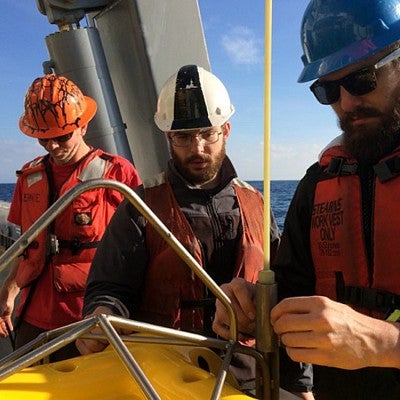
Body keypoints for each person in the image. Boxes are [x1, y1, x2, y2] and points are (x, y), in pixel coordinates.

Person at [213, 1, 400, 399]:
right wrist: (254, 309)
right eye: (328, 89)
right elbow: (296, 288)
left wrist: (387, 344)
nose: (347, 104)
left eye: (363, 79)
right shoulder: (319, 183)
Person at [76, 64, 280, 387]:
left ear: (226, 130)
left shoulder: (258, 204)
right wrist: (101, 315)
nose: (197, 148)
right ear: (168, 137)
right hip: (165, 378)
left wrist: (302, 383)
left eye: (207, 133)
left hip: (250, 377)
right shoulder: (141, 206)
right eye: (183, 137)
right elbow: (110, 289)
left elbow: (287, 289)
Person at [0, 74, 141, 361]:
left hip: (88, 319)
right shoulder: (29, 177)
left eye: (61, 137)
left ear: (84, 125)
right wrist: (8, 291)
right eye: (43, 139)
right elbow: (26, 246)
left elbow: (140, 249)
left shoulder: (117, 174)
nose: (52, 146)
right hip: (32, 317)